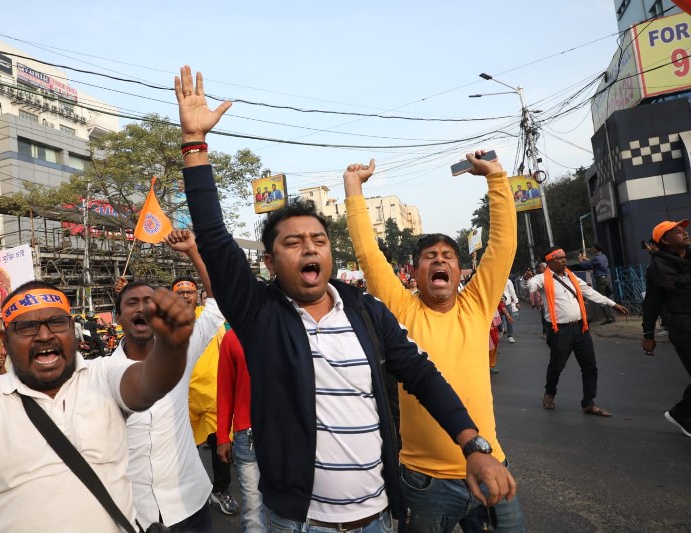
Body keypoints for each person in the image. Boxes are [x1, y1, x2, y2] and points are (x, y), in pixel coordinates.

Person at [175, 65, 514, 533]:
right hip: (297, 523)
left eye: (318, 239)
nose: (310, 247)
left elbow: (422, 374)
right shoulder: (259, 314)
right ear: (271, 264)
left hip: (377, 519)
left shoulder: (367, 312)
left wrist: (473, 445)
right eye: (292, 243)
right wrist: (195, 144)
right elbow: (214, 236)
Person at [0, 280, 193, 532]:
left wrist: (171, 346)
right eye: (27, 327)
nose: (45, 334)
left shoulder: (103, 374)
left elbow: (147, 383)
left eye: (56, 322)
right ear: (5, 340)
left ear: (72, 329)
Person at [344, 154, 524, 532]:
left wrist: (495, 178)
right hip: (424, 481)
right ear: (416, 270)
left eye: (447, 256)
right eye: (429, 256)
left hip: (491, 464)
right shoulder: (400, 309)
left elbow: (503, 246)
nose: (439, 260)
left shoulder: (476, 303)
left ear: (460, 271)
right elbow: (368, 254)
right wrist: (354, 189)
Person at [113, 229, 226, 532]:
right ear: (119, 318)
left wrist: (192, 251)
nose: (141, 308)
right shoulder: (98, 374)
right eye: (131, 303)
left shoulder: (183, 349)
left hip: (190, 503)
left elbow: (216, 302)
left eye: (149, 301)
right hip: (133, 512)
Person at [529, 247, 628, 416]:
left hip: (581, 329)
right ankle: (550, 392)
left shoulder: (572, 277)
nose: (564, 260)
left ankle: (588, 403)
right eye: (559, 258)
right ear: (550, 262)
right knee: (556, 366)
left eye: (564, 257)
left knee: (590, 366)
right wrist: (527, 281)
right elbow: (531, 285)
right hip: (559, 331)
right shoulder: (542, 279)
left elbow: (589, 292)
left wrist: (612, 304)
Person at [178, 274, 235, 516]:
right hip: (181, 399)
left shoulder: (208, 318)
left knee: (221, 448)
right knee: (179, 451)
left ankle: (220, 490)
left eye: (189, 292)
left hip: (211, 394)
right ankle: (185, 494)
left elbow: (213, 293)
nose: (184, 296)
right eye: (179, 293)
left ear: (196, 296)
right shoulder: (165, 323)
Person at [641, 219, 691, 437]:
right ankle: (679, 413)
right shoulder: (658, 267)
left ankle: (681, 413)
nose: (684, 234)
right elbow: (651, 303)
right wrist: (648, 335)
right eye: (677, 232)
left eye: (684, 230)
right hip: (682, 327)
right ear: (665, 241)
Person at [216, 329, 266, 532]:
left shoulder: (285, 327)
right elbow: (225, 389)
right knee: (254, 512)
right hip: (247, 435)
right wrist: (222, 436)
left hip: (285, 435)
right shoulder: (232, 337)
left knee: (285, 513)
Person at [577, 244, 616, 325]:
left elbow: (586, 265)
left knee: (601, 298)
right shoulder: (603, 256)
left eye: (593, 248)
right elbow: (595, 263)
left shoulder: (596, 258)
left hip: (600, 280)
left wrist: (581, 260)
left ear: (595, 249)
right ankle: (612, 316)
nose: (592, 249)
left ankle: (608, 318)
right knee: (607, 297)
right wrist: (586, 259)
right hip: (606, 279)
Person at [502, 277, 519, 343]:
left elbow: (512, 291)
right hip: (497, 303)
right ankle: (500, 331)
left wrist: (516, 301)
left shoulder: (508, 281)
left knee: (509, 319)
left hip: (507, 302)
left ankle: (510, 336)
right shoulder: (494, 279)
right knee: (497, 321)